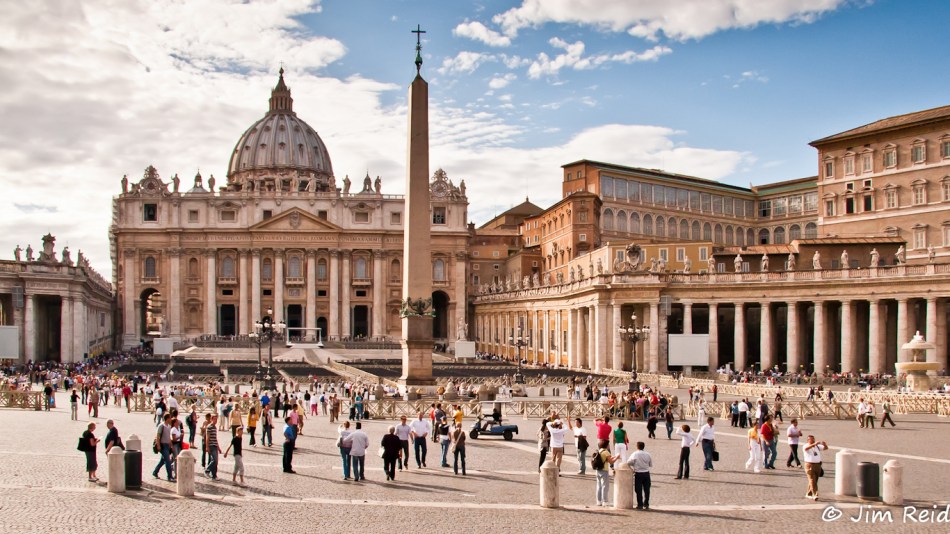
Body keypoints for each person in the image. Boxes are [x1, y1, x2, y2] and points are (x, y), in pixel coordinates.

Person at [627, 441, 653, 510]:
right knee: (647, 490)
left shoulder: (635, 454)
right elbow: (650, 464)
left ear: (637, 447)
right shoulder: (648, 454)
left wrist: (634, 464)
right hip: (646, 473)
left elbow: (628, 462)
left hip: (638, 473)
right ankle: (646, 504)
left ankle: (640, 504)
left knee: (638, 490)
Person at [593, 439, 618, 507]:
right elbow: (611, 462)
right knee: (605, 486)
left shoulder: (600, 451)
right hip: (604, 470)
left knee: (599, 486)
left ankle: (598, 501)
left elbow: (605, 459)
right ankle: (605, 501)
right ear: (607, 445)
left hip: (598, 470)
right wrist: (617, 458)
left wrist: (613, 457)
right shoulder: (606, 452)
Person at [803, 435, 829, 500]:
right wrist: (814, 444)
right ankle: (815, 494)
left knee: (814, 480)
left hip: (818, 465)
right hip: (809, 465)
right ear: (808, 440)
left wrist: (825, 445)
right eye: (811, 439)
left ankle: (808, 493)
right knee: (812, 480)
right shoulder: (806, 445)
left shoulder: (817, 446)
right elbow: (806, 449)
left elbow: (825, 448)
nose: (813, 440)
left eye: (813, 439)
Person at [152, 414, 175, 481]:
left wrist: (171, 445)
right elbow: (158, 436)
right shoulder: (161, 426)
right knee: (167, 461)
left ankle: (155, 472)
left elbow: (169, 437)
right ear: (167, 418)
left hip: (167, 445)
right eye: (170, 418)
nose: (171, 419)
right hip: (163, 445)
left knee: (162, 461)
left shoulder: (169, 426)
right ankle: (170, 476)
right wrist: (158, 445)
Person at [205, 414, 221, 480]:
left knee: (215, 461)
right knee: (215, 460)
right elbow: (207, 437)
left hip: (215, 445)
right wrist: (207, 447)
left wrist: (218, 447)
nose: (216, 420)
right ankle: (207, 470)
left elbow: (215, 438)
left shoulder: (214, 427)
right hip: (211, 445)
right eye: (214, 419)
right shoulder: (209, 427)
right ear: (211, 419)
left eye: (216, 419)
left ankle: (214, 475)